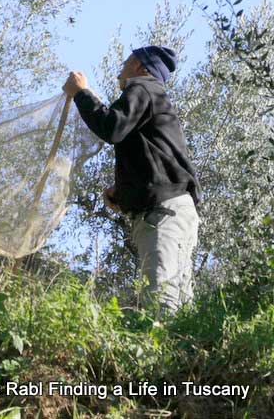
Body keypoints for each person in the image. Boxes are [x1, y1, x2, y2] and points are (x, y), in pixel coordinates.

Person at [62, 46, 202, 313]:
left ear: (141, 67)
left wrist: (81, 93)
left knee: (159, 301)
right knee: (179, 304)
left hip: (164, 213)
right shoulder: (154, 97)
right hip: (177, 210)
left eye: (126, 62)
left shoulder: (142, 88)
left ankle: (158, 355)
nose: (121, 68)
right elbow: (157, 158)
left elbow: (112, 127)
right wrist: (124, 191)